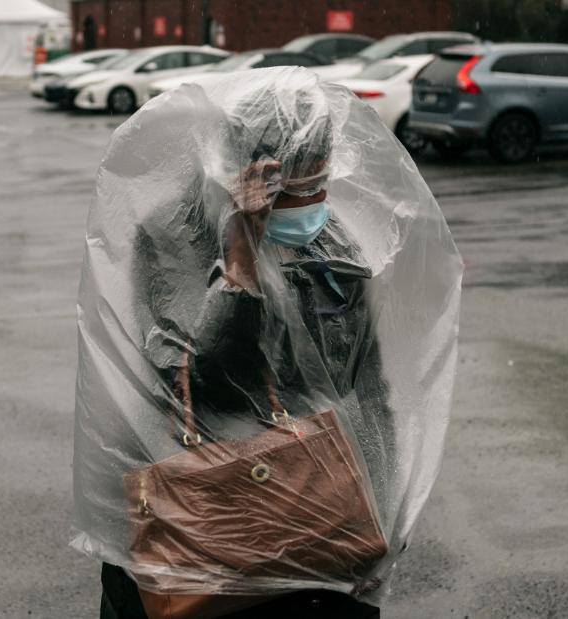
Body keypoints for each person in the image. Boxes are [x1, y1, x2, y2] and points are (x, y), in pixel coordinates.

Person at [73, 67, 462, 619]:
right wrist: (240, 256)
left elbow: (366, 386)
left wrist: (385, 508)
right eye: (296, 188)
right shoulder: (173, 234)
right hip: (208, 520)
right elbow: (198, 381)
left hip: (322, 522)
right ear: (244, 170)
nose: (315, 203)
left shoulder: (331, 242)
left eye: (321, 183)